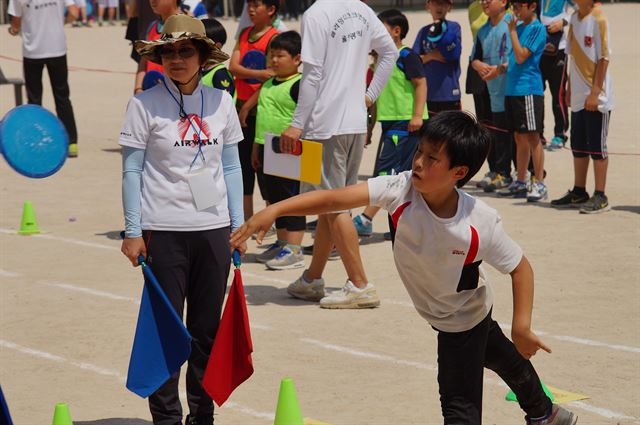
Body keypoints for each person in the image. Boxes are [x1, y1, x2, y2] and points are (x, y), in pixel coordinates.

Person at [230, 111, 578, 425]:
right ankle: (545, 413)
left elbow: (521, 267)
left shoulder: (478, 222)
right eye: (419, 152)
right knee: (502, 358)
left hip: (461, 319)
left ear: (458, 173)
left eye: (432, 158)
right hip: (447, 312)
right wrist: (273, 210)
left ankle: (543, 413)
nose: (419, 163)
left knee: (458, 406)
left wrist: (522, 326)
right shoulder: (401, 189)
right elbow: (335, 198)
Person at [119, 15, 245, 425]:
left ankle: (201, 415)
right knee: (167, 333)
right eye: (168, 51)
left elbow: (231, 169)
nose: (176, 58)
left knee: (206, 333)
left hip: (213, 233)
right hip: (163, 233)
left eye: (185, 50)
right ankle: (167, 419)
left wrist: (238, 225)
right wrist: (134, 231)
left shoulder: (222, 103)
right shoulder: (143, 105)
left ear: (203, 56)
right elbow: (132, 171)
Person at [278, 0, 398, 309]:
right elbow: (390, 52)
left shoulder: (316, 14)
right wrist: (369, 98)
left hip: (326, 123)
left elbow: (313, 75)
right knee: (329, 203)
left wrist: (296, 124)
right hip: (353, 122)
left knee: (333, 206)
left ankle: (359, 283)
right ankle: (312, 279)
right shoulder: (360, 8)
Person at [352, 9, 428, 238]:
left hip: (406, 123)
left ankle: (365, 218)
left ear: (396, 32)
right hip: (389, 124)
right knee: (402, 175)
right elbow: (373, 102)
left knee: (388, 174)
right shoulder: (377, 64)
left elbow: (421, 84)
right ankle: (402, 225)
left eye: (379, 27)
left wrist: (417, 115)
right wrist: (368, 130)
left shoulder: (406, 56)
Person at [238, 31, 306, 269]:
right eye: (271, 56)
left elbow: (308, 118)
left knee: (294, 200)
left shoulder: (299, 85)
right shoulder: (268, 83)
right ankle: (281, 242)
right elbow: (263, 120)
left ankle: (295, 250)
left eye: (280, 56)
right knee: (275, 199)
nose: (274, 60)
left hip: (292, 151)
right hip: (267, 148)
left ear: (297, 58)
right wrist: (256, 149)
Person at [550, 0, 614, 213]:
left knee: (597, 147)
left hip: (596, 96)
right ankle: (579, 191)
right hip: (577, 95)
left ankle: (600, 195)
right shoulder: (575, 18)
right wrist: (568, 88)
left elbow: (604, 58)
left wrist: (595, 92)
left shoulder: (599, 18)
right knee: (578, 145)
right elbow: (571, 54)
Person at [229, 0, 281, 221]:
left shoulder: (275, 38)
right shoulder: (244, 33)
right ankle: (246, 215)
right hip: (240, 106)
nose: (250, 9)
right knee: (243, 166)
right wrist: (259, 73)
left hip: (262, 110)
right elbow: (233, 67)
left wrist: (249, 103)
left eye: (256, 5)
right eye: (249, 4)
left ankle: (270, 217)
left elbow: (273, 76)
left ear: (271, 10)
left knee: (265, 169)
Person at [8, 0, 80, 158]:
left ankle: (36, 141)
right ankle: (71, 142)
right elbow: (74, 12)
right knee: (62, 96)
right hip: (57, 48)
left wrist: (13, 30)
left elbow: (16, 21)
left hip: (33, 51)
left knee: (34, 99)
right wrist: (61, 22)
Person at [498, 0, 548, 202]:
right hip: (512, 90)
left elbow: (521, 57)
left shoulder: (537, 29)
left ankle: (539, 183)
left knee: (533, 137)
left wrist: (511, 31)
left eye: (519, 6)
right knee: (518, 137)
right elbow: (512, 59)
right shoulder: (518, 28)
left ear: (532, 7)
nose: (515, 11)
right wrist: (498, 69)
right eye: (514, 7)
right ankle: (520, 181)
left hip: (528, 89)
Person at [470, 0, 515, 193]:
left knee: (518, 135)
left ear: (504, 2)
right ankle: (500, 172)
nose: (484, 2)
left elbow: (519, 55)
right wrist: (478, 65)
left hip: (514, 91)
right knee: (496, 132)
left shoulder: (513, 24)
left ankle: (528, 175)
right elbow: (474, 58)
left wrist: (500, 69)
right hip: (492, 92)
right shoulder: (482, 30)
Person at [412, 0, 462, 114]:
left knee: (450, 131)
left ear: (449, 7)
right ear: (427, 5)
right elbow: (414, 61)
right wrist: (430, 56)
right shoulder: (423, 31)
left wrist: (427, 56)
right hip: (428, 94)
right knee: (429, 131)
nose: (439, 7)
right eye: (435, 2)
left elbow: (453, 55)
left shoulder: (454, 27)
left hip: (449, 93)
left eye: (443, 3)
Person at [539, 0, 572, 151]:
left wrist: (562, 22)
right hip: (538, 48)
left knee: (558, 95)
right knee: (536, 94)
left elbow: (582, 9)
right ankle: (537, 133)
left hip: (559, 49)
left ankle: (560, 133)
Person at [133, 0, 182, 95]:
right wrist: (138, 89)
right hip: (150, 92)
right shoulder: (153, 26)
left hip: (175, 95)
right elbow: (143, 62)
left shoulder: (187, 26)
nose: (152, 1)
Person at [201, 18, 236, 99]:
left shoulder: (220, 75)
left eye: (200, 42)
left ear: (217, 46)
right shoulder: (200, 70)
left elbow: (224, 106)